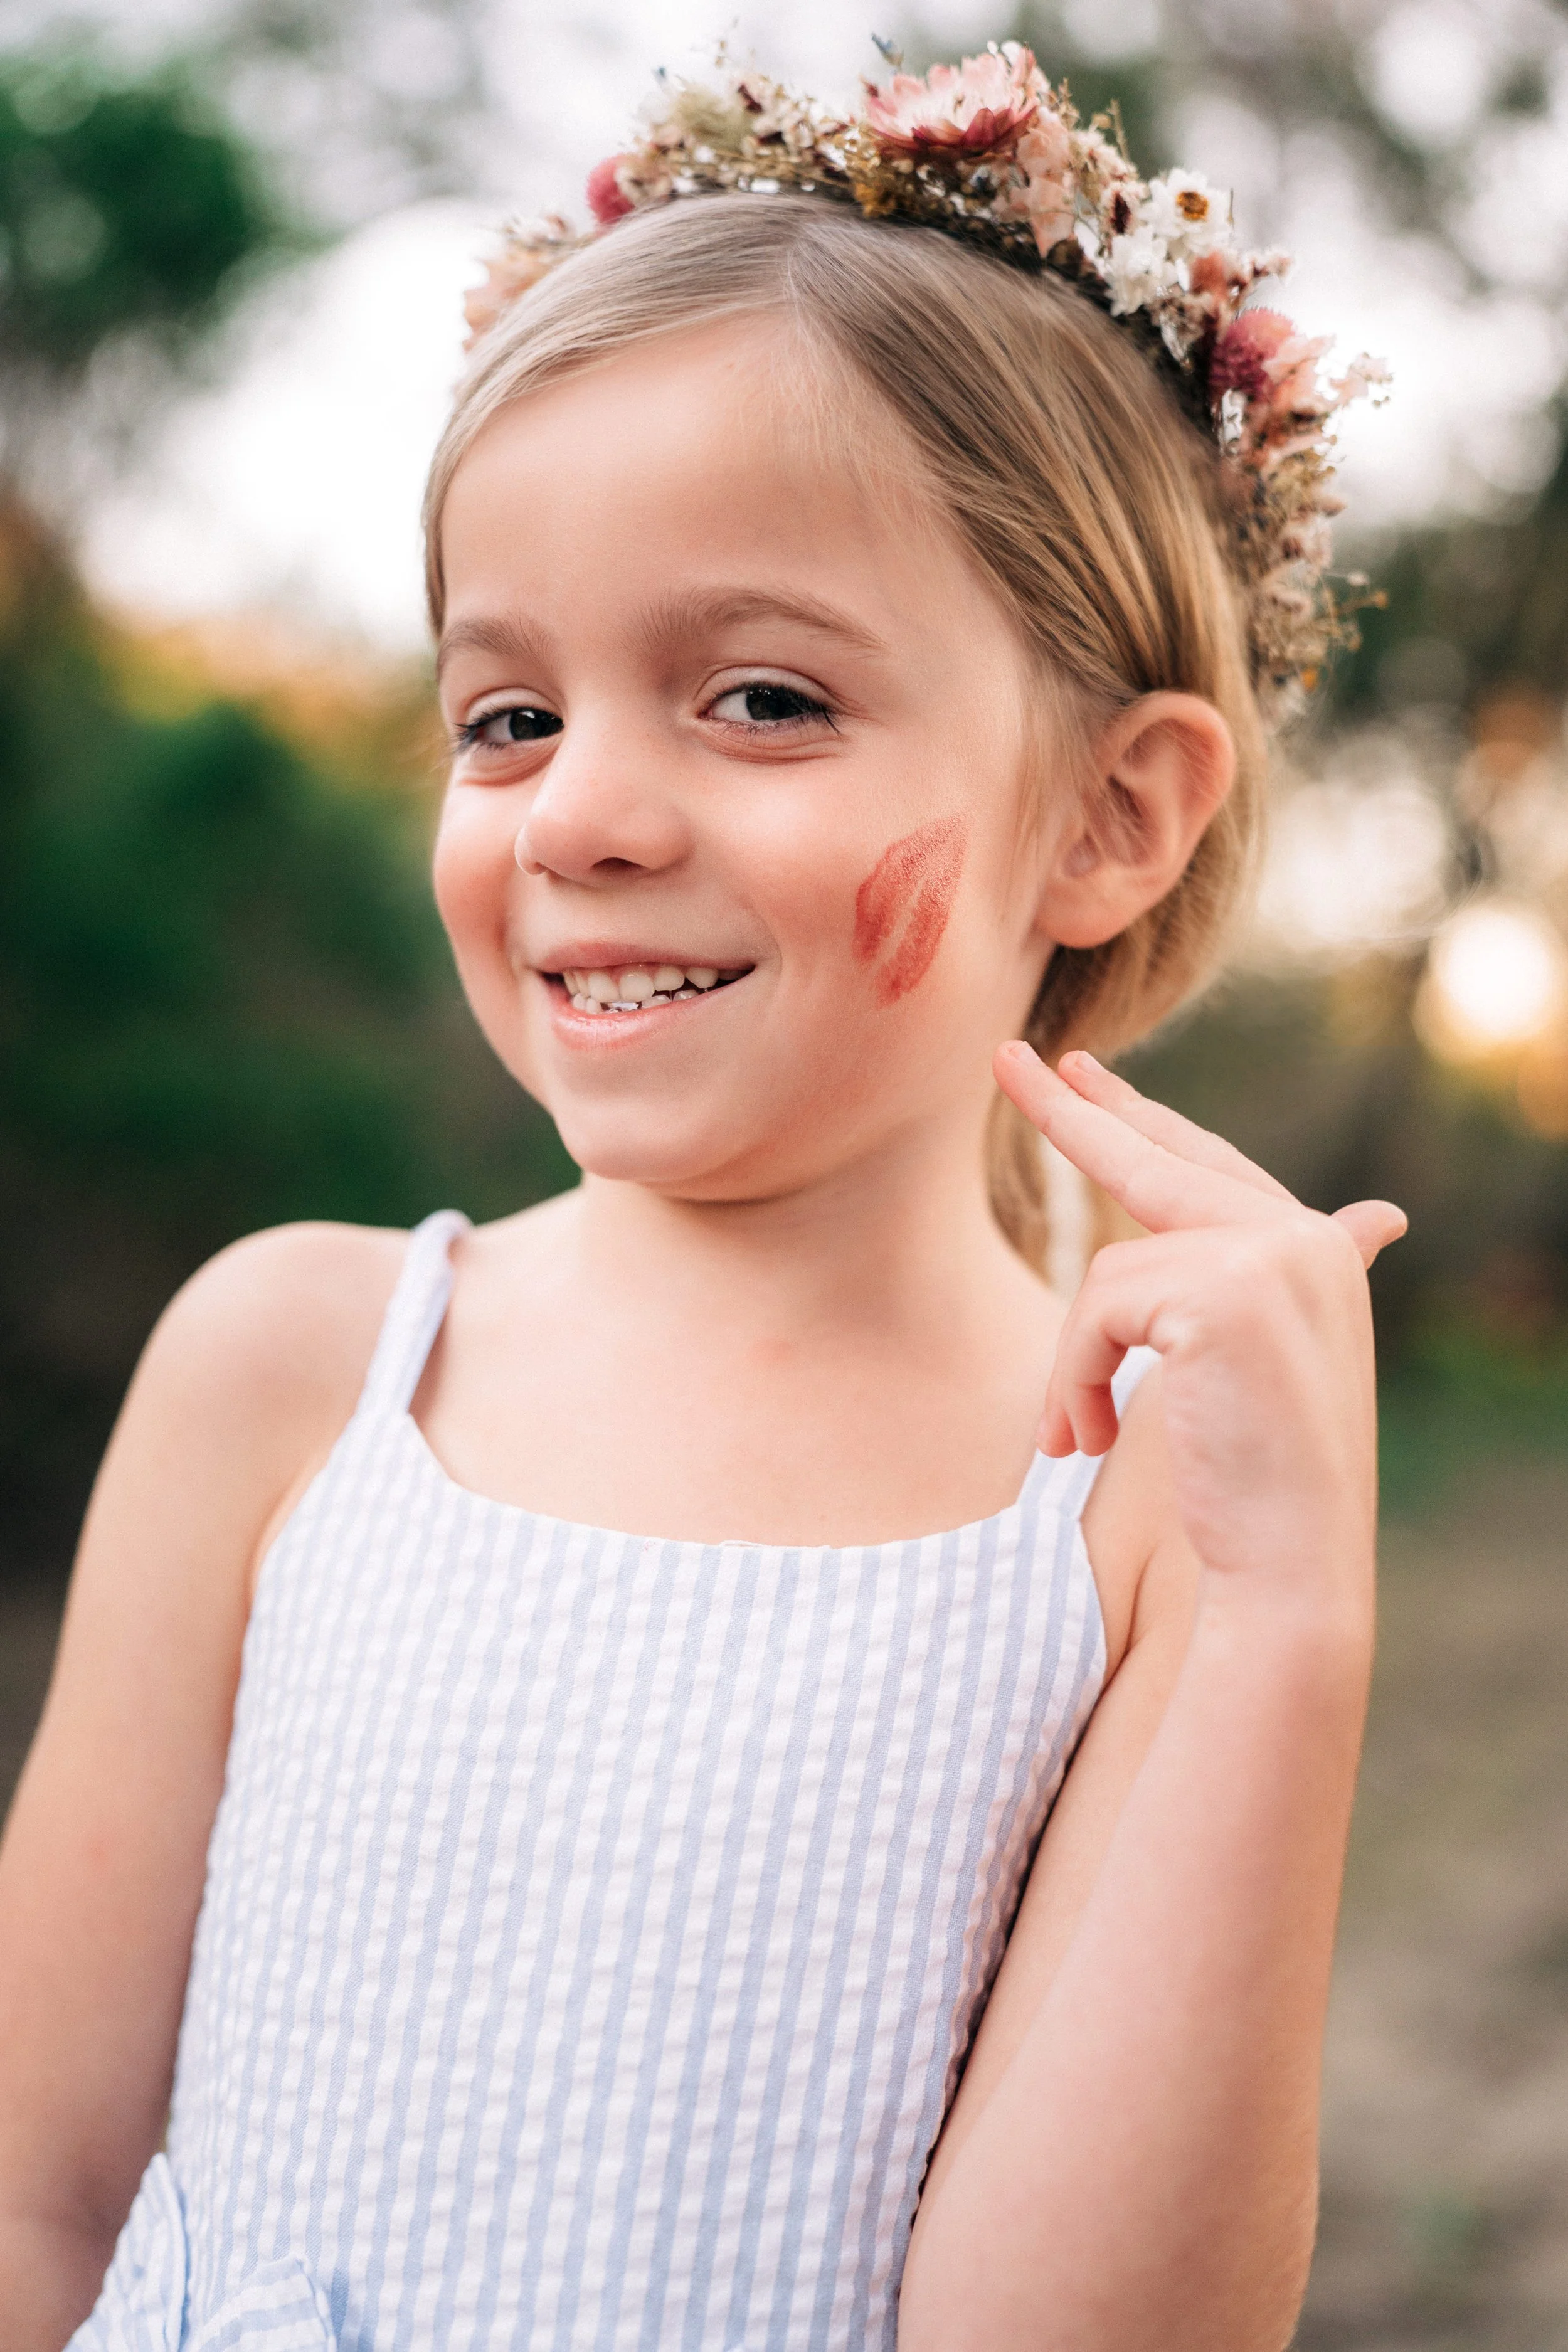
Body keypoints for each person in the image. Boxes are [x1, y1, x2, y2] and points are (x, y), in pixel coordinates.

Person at [0, 40, 1402, 2352]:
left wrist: (1285, 1637)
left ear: (1110, 816)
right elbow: (42, 2193)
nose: (575, 815)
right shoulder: (300, 1365)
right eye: (507, 714)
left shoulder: (1138, 1519)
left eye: (756, 698)